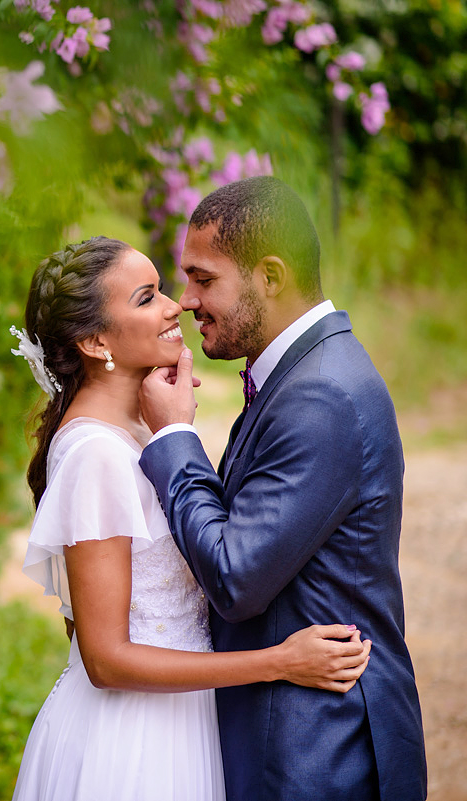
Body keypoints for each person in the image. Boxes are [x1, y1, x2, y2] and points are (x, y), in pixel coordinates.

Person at [8, 236, 372, 801]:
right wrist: (279, 662)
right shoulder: (96, 455)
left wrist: (173, 430)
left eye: (162, 290)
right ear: (95, 341)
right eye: (146, 297)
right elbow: (103, 659)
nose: (174, 305)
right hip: (133, 742)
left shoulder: (138, 432)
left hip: (181, 719)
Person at [138, 175, 426, 800]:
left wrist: (172, 438)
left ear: (270, 276)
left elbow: (235, 577)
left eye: (203, 279)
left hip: (317, 754)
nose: (186, 301)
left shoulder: (319, 395)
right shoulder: (301, 373)